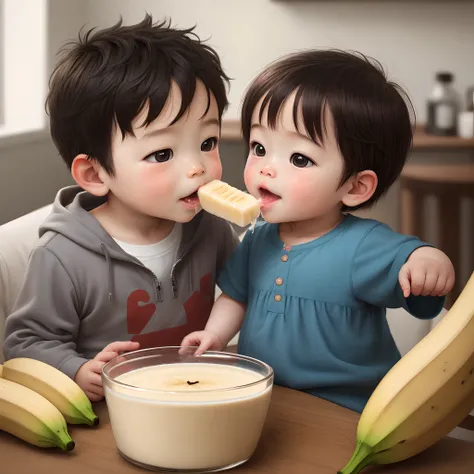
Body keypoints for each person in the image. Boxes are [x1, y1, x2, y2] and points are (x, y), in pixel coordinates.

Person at [181, 50, 455, 413]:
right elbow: (236, 296)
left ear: (355, 187)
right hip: (267, 397)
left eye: (299, 159)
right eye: (259, 148)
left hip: (348, 407)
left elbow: (411, 261)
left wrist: (429, 261)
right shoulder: (257, 236)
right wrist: (215, 335)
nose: (266, 169)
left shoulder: (363, 245)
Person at [3, 14, 239, 401]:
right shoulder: (62, 256)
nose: (198, 166)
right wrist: (77, 369)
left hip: (193, 396)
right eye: (162, 152)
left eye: (209, 142)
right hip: (109, 415)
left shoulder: (209, 227)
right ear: (96, 174)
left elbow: (247, 284)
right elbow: (26, 343)